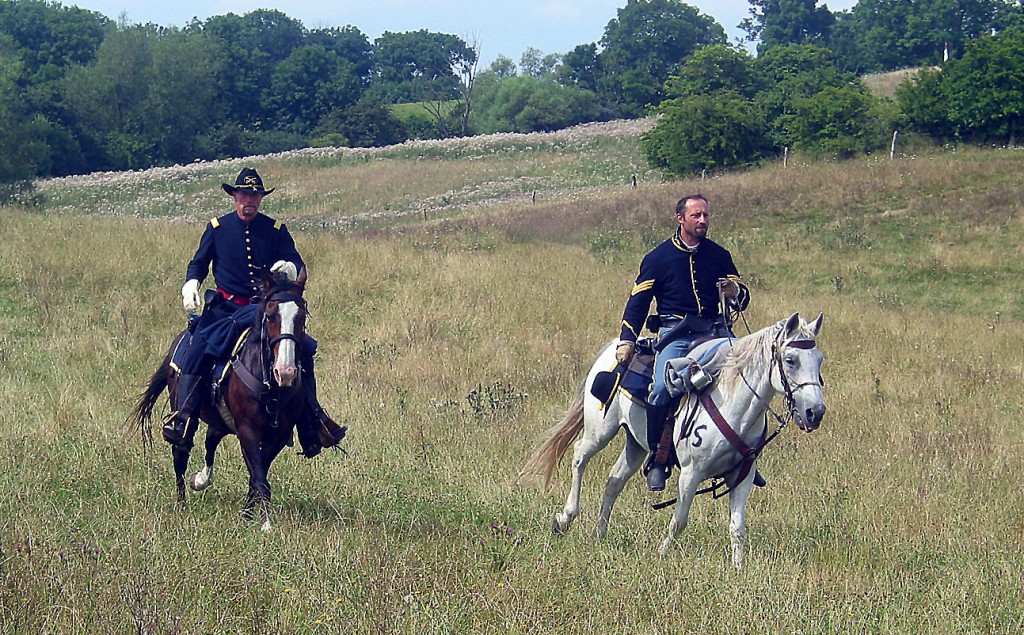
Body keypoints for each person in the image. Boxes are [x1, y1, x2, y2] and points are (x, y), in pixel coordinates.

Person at [162, 167, 346, 457]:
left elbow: (298, 264)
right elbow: (198, 263)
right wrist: (191, 283)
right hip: (225, 308)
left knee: (305, 349)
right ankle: (183, 418)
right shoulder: (217, 228)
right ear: (235, 196)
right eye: (244, 194)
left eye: (255, 195)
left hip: (264, 309)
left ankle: (312, 422)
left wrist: (289, 268)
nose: (250, 200)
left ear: (261, 198)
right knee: (197, 348)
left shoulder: (275, 230)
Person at [615, 194, 750, 491]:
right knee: (663, 387)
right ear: (680, 219)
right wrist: (627, 339)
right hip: (675, 334)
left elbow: (742, 299)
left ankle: (744, 452)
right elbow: (637, 304)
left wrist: (733, 292)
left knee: (750, 372)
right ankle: (658, 458)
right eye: (696, 216)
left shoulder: (719, 255)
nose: (702, 221)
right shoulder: (658, 258)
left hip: (716, 332)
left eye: (705, 215)